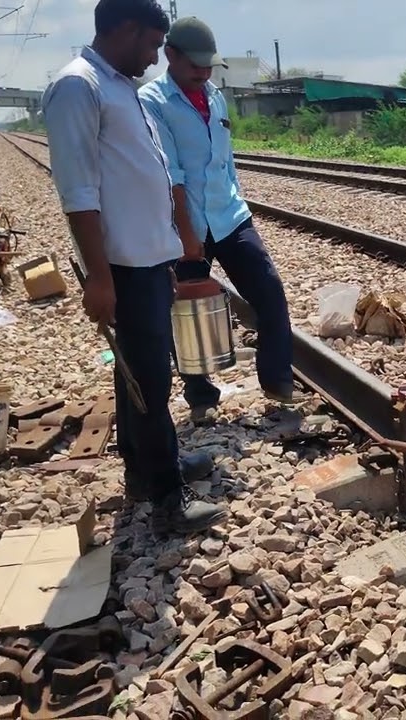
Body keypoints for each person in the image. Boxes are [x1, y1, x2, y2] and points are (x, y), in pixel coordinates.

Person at [41, 0, 226, 534]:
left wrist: (165, 255)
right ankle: (169, 500)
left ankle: (146, 473)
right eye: (149, 44)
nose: (153, 57)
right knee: (148, 383)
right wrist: (100, 277)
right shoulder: (79, 87)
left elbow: (140, 177)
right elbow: (78, 192)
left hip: (146, 263)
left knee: (139, 379)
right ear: (124, 29)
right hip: (121, 268)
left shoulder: (118, 84)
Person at [138, 16, 296, 425]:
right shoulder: (152, 101)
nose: (204, 72)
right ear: (170, 55)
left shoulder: (215, 96)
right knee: (185, 309)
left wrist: (238, 202)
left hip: (228, 216)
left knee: (269, 290)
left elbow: (225, 162)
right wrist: (187, 234)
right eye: (195, 65)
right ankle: (200, 393)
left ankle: (277, 379)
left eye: (209, 65)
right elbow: (168, 173)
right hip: (184, 223)